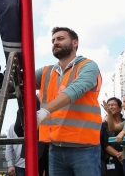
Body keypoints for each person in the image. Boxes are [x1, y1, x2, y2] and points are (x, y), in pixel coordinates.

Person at [35, 27, 102, 175]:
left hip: (84, 148)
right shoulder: (46, 72)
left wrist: (44, 112)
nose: (55, 43)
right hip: (55, 148)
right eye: (53, 41)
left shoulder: (88, 66)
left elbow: (76, 89)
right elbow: (21, 82)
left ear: (75, 43)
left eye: (60, 39)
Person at [14, 95, 48, 176]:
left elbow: (18, 127)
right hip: (50, 146)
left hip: (32, 148)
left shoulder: (28, 103)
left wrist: (30, 137)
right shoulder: (50, 101)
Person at [100, 97, 125, 176]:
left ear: (120, 107)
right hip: (111, 159)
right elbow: (104, 143)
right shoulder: (104, 125)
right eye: (109, 105)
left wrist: (124, 153)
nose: (110, 107)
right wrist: (118, 155)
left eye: (113, 105)